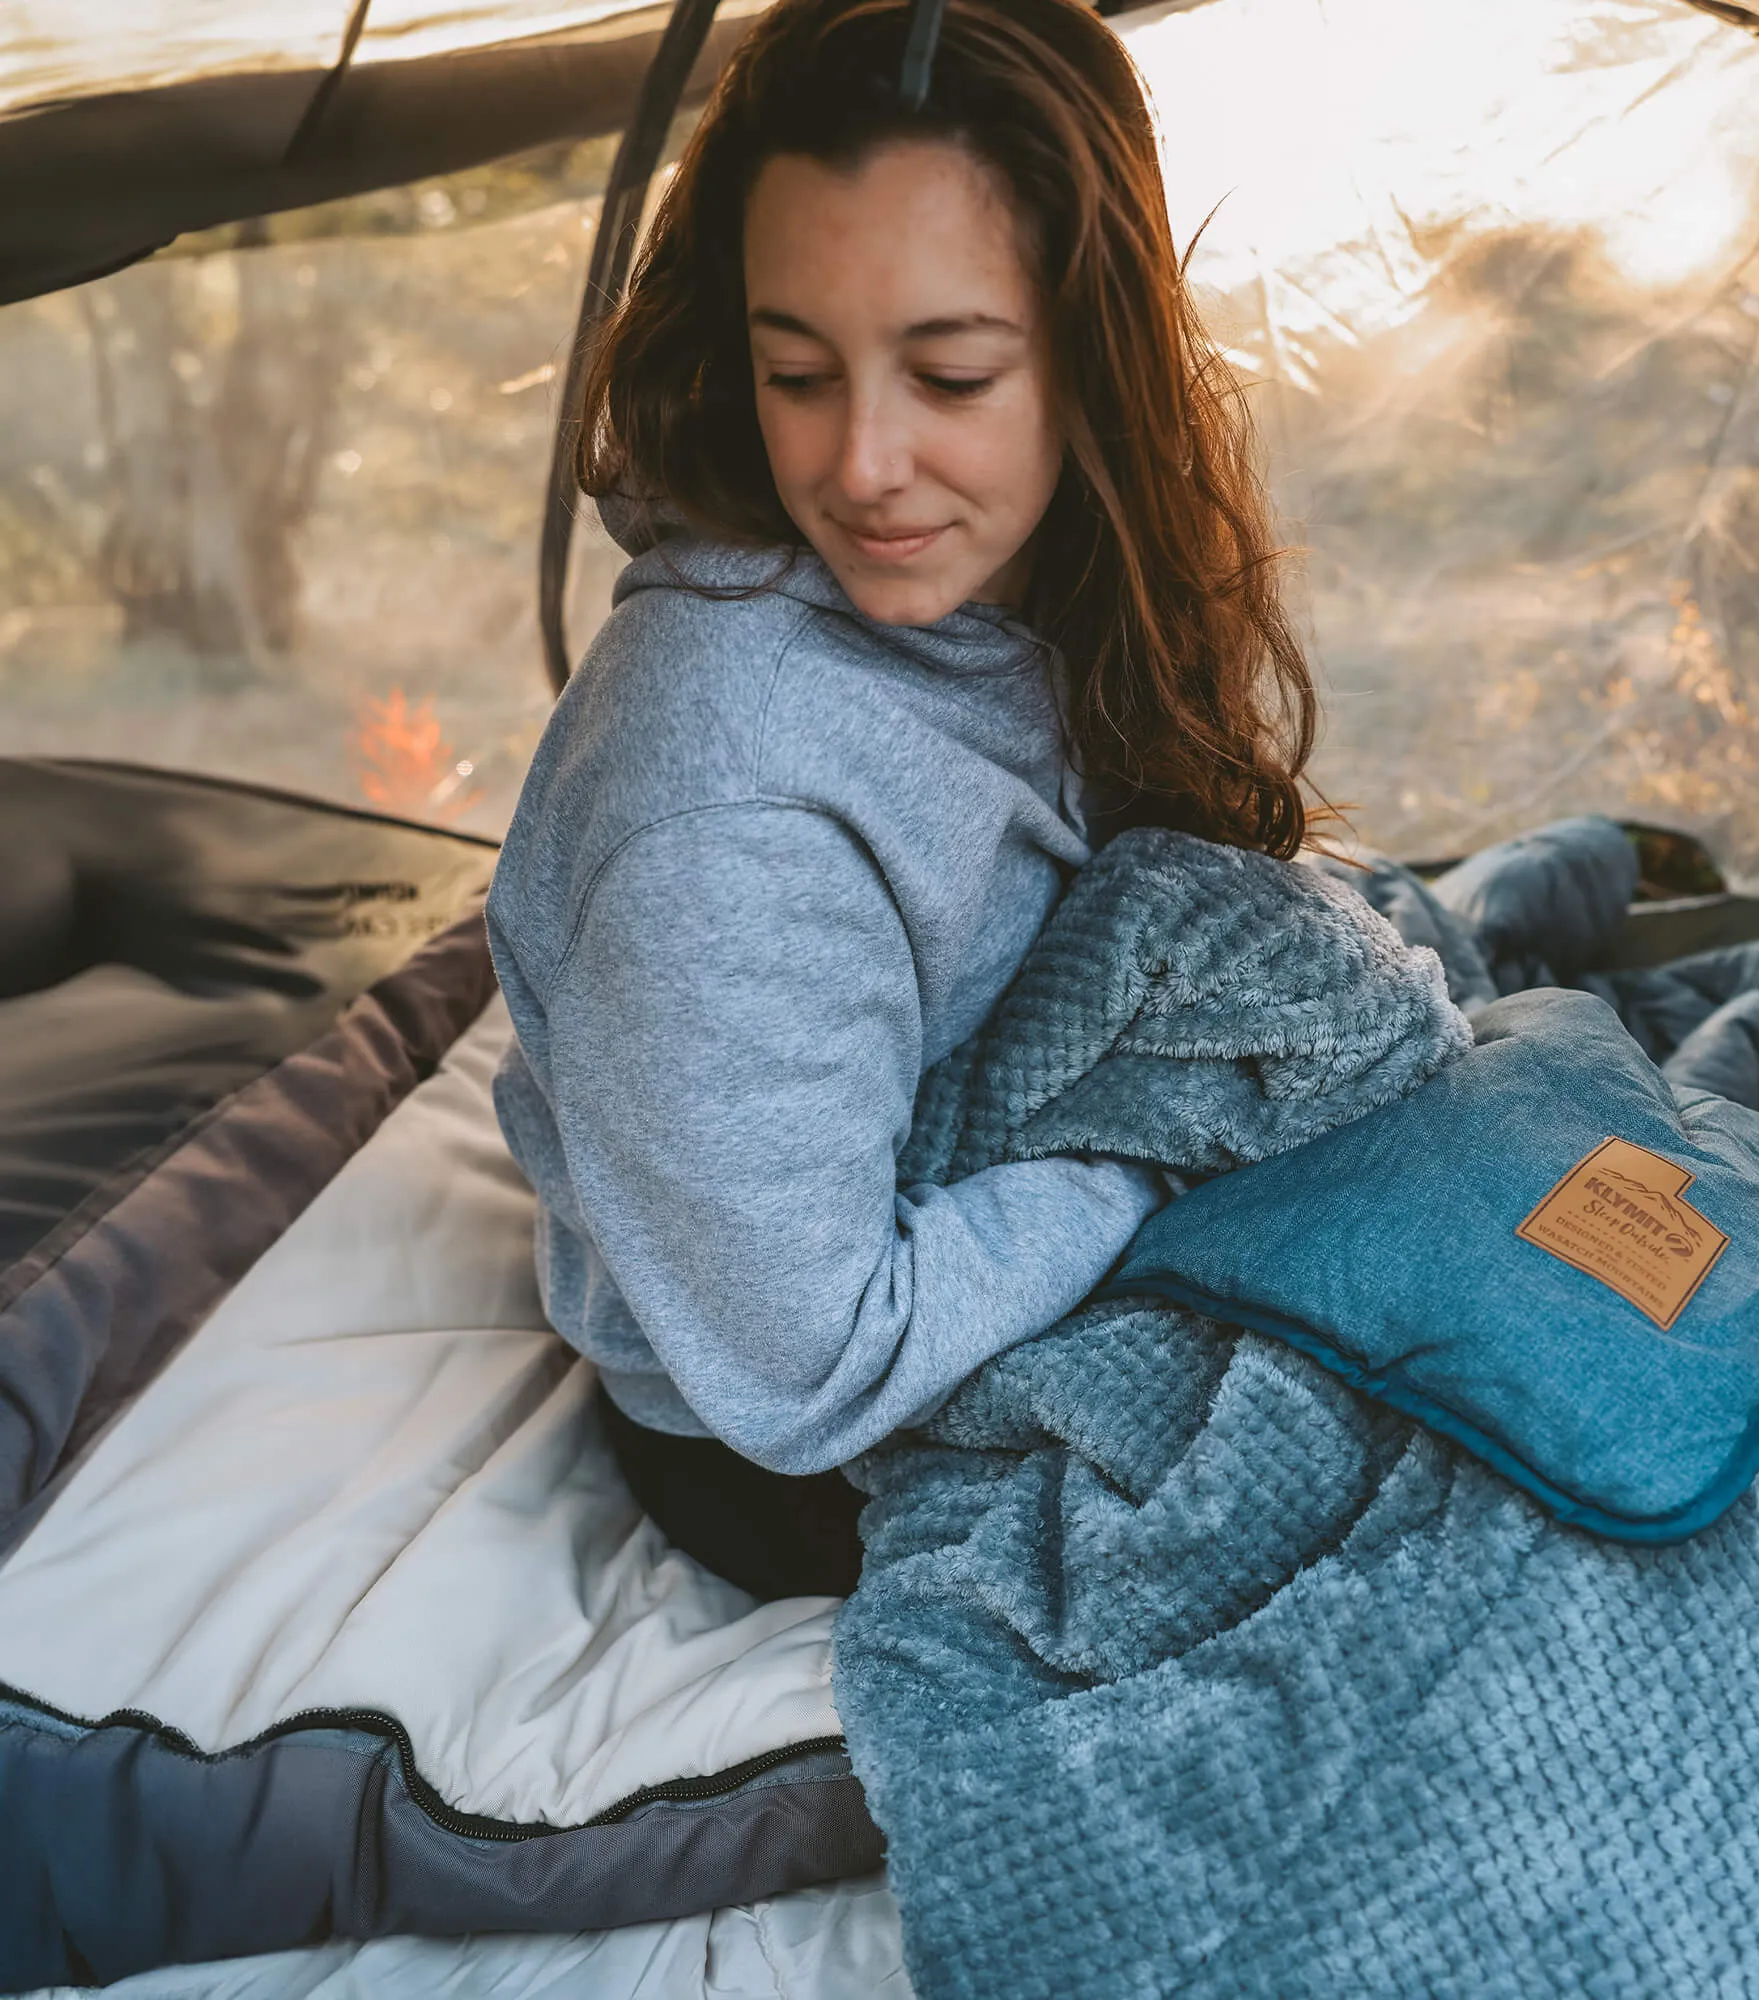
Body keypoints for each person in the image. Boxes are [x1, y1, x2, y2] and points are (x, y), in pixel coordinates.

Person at [487, 0, 1321, 1599]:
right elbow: (809, 1369)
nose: (864, 463)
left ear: (1099, 360)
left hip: (998, 1194)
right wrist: (1152, 1164)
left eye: (948, 374)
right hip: (814, 1443)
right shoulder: (725, 827)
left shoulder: (1018, 588)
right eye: (795, 372)